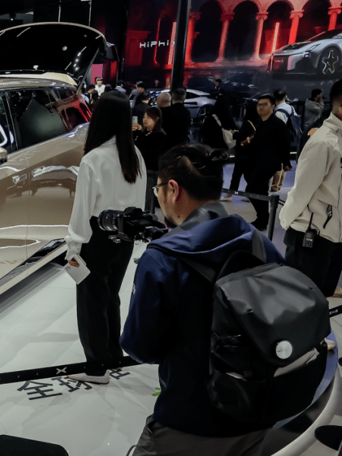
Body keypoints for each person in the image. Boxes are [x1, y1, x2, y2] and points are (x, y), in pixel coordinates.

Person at [122, 144, 282, 456]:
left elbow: (140, 347)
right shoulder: (259, 242)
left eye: (158, 189)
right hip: (257, 409)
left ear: (173, 189)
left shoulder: (162, 259)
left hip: (189, 418)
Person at [64, 91, 147, 384]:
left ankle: (97, 367)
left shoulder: (93, 159)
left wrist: (73, 247)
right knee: (110, 296)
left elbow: (82, 210)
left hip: (96, 236)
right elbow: (140, 202)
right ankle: (112, 354)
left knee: (91, 301)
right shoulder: (135, 155)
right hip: (125, 235)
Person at [280, 79, 342, 298]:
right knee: (298, 300)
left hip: (334, 237)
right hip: (311, 236)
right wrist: (286, 222)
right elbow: (302, 190)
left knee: (320, 297)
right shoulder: (323, 142)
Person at [245, 94, 291, 230]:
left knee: (252, 190)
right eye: (259, 104)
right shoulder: (262, 123)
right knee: (261, 191)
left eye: (265, 104)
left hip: (268, 163)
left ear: (273, 106)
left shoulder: (277, 124)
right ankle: (263, 220)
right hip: (259, 162)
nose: (261, 107)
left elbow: (285, 143)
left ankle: (263, 217)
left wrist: (286, 162)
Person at [225, 99, 260, 199]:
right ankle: (252, 194)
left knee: (236, 175)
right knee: (248, 175)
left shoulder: (247, 123)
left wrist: (234, 133)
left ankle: (230, 194)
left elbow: (239, 135)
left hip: (242, 154)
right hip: (251, 153)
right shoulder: (258, 121)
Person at [133, 107, 166, 212]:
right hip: (139, 169)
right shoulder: (143, 133)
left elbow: (148, 153)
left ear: (156, 119)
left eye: (149, 117)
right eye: (144, 117)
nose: (145, 120)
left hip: (150, 171)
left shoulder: (159, 136)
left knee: (147, 199)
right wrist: (135, 133)